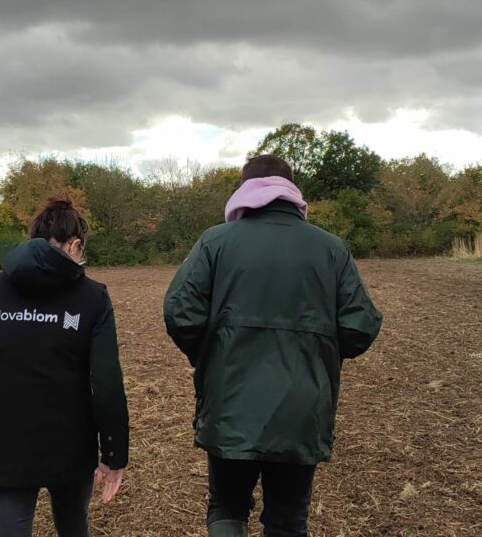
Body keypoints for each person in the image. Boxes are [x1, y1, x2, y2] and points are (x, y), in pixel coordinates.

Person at [163, 155, 383, 537]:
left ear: (243, 192)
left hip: (230, 402)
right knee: (288, 519)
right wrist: (318, 353)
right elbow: (360, 324)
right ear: (292, 191)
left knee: (228, 507)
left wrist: (211, 355)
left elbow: (180, 311)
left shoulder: (215, 242)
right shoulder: (330, 249)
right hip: (302, 408)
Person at [0, 197, 129, 537]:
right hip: (71, 448)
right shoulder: (93, 296)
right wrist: (114, 453)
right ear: (75, 245)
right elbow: (106, 382)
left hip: (2, 447)